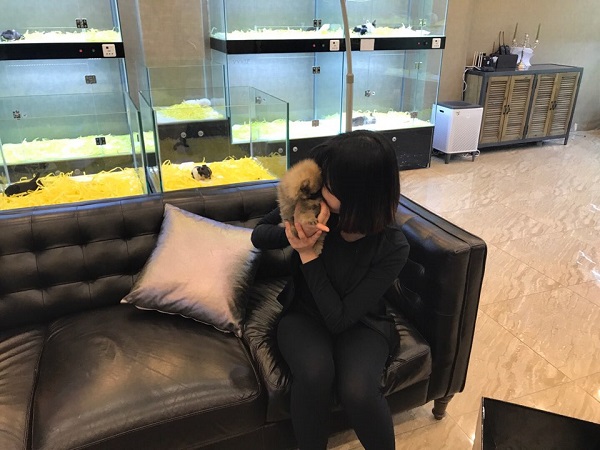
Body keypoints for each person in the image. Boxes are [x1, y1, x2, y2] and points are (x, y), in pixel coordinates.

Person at [251, 130, 409, 450]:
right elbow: (259, 234)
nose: (322, 188)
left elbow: (340, 319)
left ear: (358, 195)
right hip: (304, 313)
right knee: (314, 373)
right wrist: (293, 234)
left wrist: (308, 255)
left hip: (361, 322)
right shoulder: (313, 204)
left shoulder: (393, 245)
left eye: (332, 185)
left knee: (359, 390)